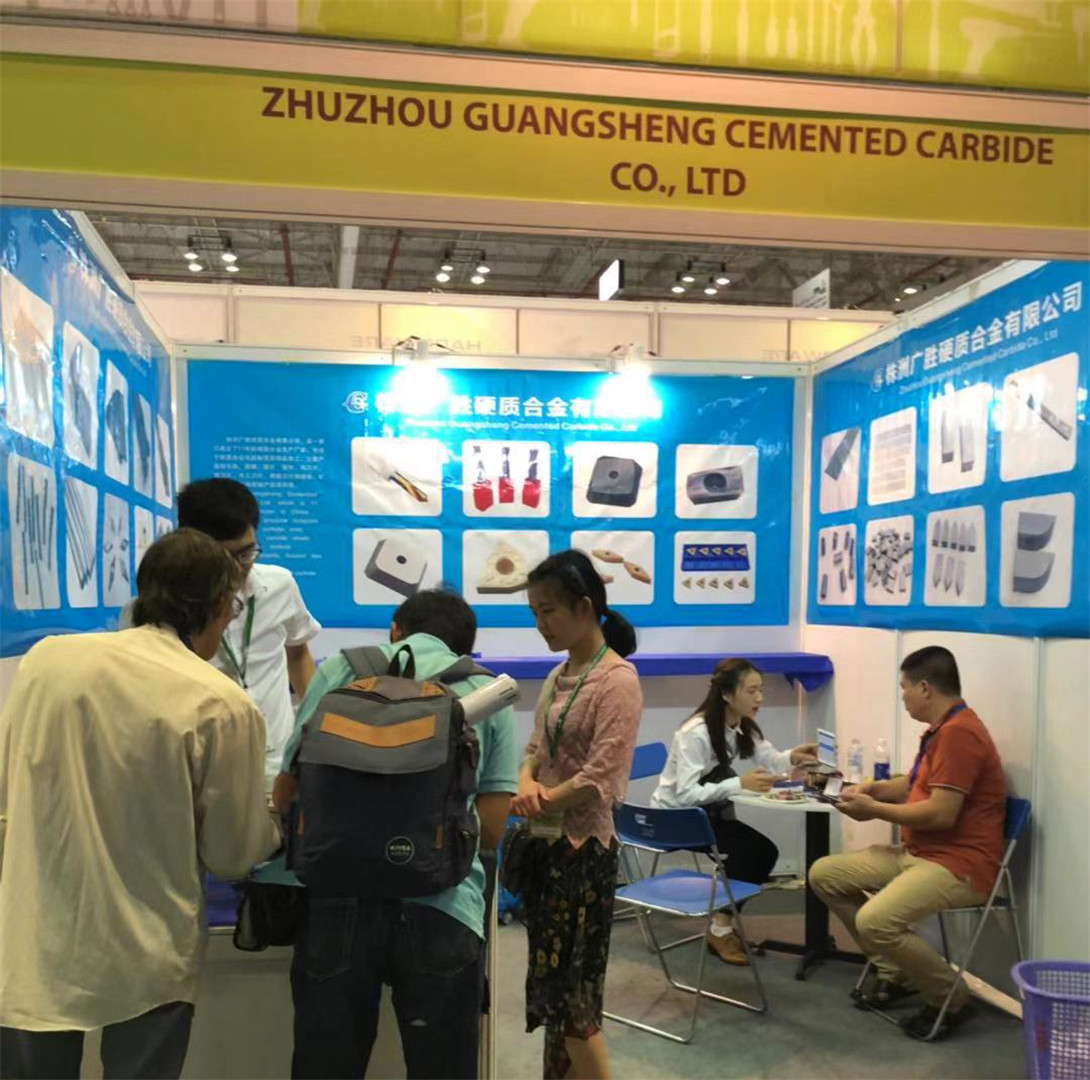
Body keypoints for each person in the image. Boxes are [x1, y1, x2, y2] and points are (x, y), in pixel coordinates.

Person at [0, 529, 280, 1080]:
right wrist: (276, 825)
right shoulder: (220, 702)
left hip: (35, 936)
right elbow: (232, 853)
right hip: (146, 949)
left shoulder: (46, 662)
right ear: (220, 605)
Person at [271, 589, 518, 1080]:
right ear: (464, 647)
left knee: (326, 1068)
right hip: (444, 905)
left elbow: (286, 791)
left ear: (395, 631)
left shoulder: (340, 671)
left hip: (337, 900)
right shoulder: (485, 691)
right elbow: (491, 830)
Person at [809, 646, 1007, 1041]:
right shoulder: (940, 730)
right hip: (919, 853)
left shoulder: (961, 734)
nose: (902, 697)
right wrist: (871, 790)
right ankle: (896, 971)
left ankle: (950, 996)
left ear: (925, 688)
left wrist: (874, 810)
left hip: (960, 865)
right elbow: (913, 786)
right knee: (824, 875)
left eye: (904, 688)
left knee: (875, 920)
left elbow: (942, 813)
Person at [512, 550, 643, 1080]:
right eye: (535, 613)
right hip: (547, 848)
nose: (540, 624)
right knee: (553, 996)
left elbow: (600, 780)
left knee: (574, 1001)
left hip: (584, 858)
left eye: (549, 611)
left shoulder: (618, 680)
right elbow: (535, 748)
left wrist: (540, 799)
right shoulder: (559, 674)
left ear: (585, 607)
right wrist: (526, 782)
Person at [126, 478, 321, 787]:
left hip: (278, 765)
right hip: (204, 769)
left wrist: (316, 728)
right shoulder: (155, 611)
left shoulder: (280, 586)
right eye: (226, 557)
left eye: (248, 553)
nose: (239, 568)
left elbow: (298, 655)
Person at [651, 658, 819, 965]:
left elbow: (771, 759)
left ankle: (721, 924)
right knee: (754, 852)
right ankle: (720, 928)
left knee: (760, 852)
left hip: (704, 814)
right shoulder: (696, 733)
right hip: (674, 818)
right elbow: (685, 795)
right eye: (751, 691)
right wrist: (738, 783)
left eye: (761, 690)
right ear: (727, 694)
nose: (760, 698)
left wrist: (793, 756)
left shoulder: (741, 726)